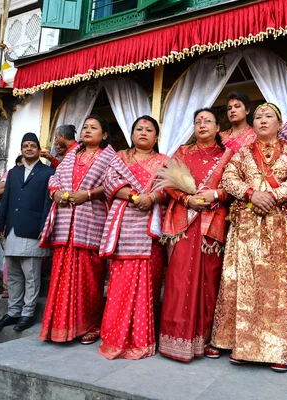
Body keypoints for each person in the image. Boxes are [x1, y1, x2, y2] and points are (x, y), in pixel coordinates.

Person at [210, 103, 287, 373]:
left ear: (280, 124)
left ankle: (282, 348)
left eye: (269, 116)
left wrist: (272, 196)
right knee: (246, 284)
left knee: (279, 287)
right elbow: (228, 180)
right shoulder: (241, 153)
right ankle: (243, 346)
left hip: (280, 224)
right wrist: (250, 194)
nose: (263, 120)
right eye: (258, 117)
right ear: (252, 125)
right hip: (246, 227)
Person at [158, 108, 232, 362]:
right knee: (179, 279)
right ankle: (174, 339)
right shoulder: (182, 152)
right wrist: (186, 199)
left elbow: (233, 187)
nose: (202, 125)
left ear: (217, 128)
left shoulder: (227, 156)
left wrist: (216, 195)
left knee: (209, 281)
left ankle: (205, 339)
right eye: (198, 121)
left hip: (213, 223)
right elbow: (166, 183)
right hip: (183, 222)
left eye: (208, 121)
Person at [38, 115, 115, 344]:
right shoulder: (71, 156)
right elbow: (55, 180)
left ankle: (89, 325)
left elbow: (115, 183)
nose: (88, 130)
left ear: (104, 135)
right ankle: (58, 327)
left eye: (94, 127)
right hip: (65, 224)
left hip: (91, 223)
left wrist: (89, 194)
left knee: (90, 278)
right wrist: (56, 194)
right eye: (85, 127)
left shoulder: (109, 157)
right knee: (60, 277)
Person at [98, 115, 168, 359]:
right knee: (119, 284)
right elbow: (109, 182)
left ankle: (141, 340)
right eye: (139, 128)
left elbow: (170, 188)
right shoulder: (119, 158)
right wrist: (134, 196)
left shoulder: (164, 161)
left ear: (156, 137)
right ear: (132, 134)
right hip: (124, 225)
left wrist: (153, 197)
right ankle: (115, 337)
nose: (144, 133)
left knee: (148, 284)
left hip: (151, 229)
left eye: (149, 130)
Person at [0, 133, 54, 332]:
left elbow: (48, 203)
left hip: (34, 230)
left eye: (32, 145)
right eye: (25, 145)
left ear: (38, 149)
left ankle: (27, 314)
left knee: (32, 276)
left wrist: (44, 228)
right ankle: (13, 312)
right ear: (21, 149)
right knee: (14, 276)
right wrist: (0, 225)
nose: (29, 148)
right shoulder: (13, 173)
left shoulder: (48, 172)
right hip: (13, 230)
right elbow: (6, 200)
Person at [0, 154, 23, 299]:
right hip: (9, 221)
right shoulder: (10, 175)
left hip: (26, 222)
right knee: (9, 256)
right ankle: (7, 287)